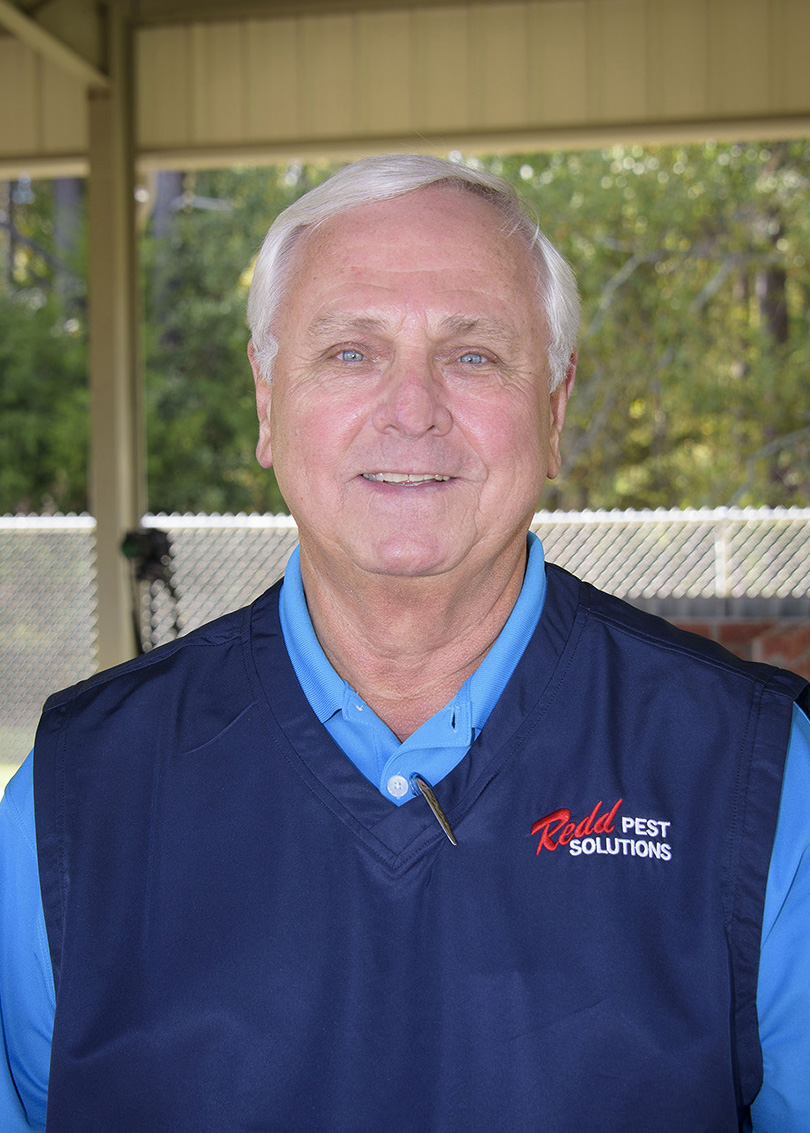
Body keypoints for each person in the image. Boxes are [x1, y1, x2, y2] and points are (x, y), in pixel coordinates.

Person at [1, 154, 809, 1132]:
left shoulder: (757, 778)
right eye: (351, 351)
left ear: (553, 408)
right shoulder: (75, 791)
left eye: (473, 354)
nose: (412, 408)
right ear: (267, 400)